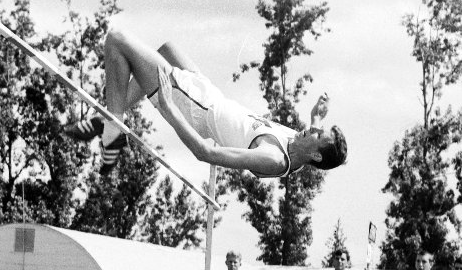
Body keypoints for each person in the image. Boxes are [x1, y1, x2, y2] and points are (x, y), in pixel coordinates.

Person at [75, 26, 348, 178]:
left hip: (193, 106)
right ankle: (108, 118)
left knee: (117, 40)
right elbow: (313, 141)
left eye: (317, 134)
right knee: (168, 49)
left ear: (315, 155)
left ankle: (112, 130)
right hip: (210, 95)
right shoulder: (299, 144)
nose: (311, 128)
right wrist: (317, 119)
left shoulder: (275, 158)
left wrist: (170, 110)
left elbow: (208, 154)